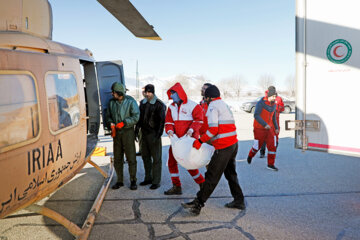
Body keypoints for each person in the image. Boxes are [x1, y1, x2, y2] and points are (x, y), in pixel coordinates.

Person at [182, 85, 245, 215]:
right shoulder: (223, 104)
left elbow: (213, 129)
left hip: (223, 147)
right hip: (233, 144)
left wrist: (200, 141)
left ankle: (198, 203)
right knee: (230, 174)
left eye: (205, 96)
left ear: (209, 97)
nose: (204, 99)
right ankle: (239, 200)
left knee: (211, 176)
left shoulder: (213, 106)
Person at [164, 82, 205, 195]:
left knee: (189, 163)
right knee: (172, 162)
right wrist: (170, 130)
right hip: (176, 141)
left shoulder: (193, 105)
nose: (171, 96)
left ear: (180, 93)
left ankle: (202, 184)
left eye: (173, 93)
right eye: (171, 93)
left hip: (189, 140)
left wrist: (192, 130)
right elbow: (168, 122)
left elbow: (199, 120)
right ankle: (176, 186)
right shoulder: (171, 107)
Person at [106, 82, 140, 190]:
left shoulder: (131, 101)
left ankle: (133, 180)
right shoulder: (111, 102)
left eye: (114, 92)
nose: (112, 94)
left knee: (131, 158)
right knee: (117, 158)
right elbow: (108, 116)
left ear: (119, 93)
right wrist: (111, 123)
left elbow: (136, 116)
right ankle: (119, 181)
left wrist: (125, 123)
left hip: (128, 132)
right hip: (117, 134)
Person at [135, 84, 166, 190]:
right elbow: (139, 119)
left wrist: (158, 135)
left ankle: (156, 181)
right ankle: (148, 178)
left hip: (154, 133)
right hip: (143, 133)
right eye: (145, 92)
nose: (146, 94)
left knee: (156, 158)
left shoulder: (159, 105)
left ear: (153, 92)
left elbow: (162, 121)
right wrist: (136, 131)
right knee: (145, 157)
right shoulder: (142, 103)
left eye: (149, 92)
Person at [247, 86, 279, 171]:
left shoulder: (274, 105)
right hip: (259, 128)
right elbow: (256, 115)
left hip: (270, 129)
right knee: (257, 146)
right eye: (273, 96)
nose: (274, 98)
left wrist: (276, 127)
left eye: (275, 96)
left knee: (273, 145)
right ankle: (250, 155)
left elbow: (273, 118)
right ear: (268, 95)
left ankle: (270, 164)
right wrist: (264, 124)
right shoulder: (261, 103)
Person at [259, 91, 284, 158]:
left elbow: (282, 107)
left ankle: (273, 152)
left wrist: (277, 109)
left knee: (275, 138)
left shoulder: (279, 99)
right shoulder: (264, 99)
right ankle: (262, 152)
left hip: (275, 122)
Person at [136, 88, 146, 156]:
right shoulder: (142, 102)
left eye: (144, 91)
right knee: (141, 138)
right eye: (142, 92)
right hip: (142, 124)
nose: (143, 93)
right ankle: (141, 150)